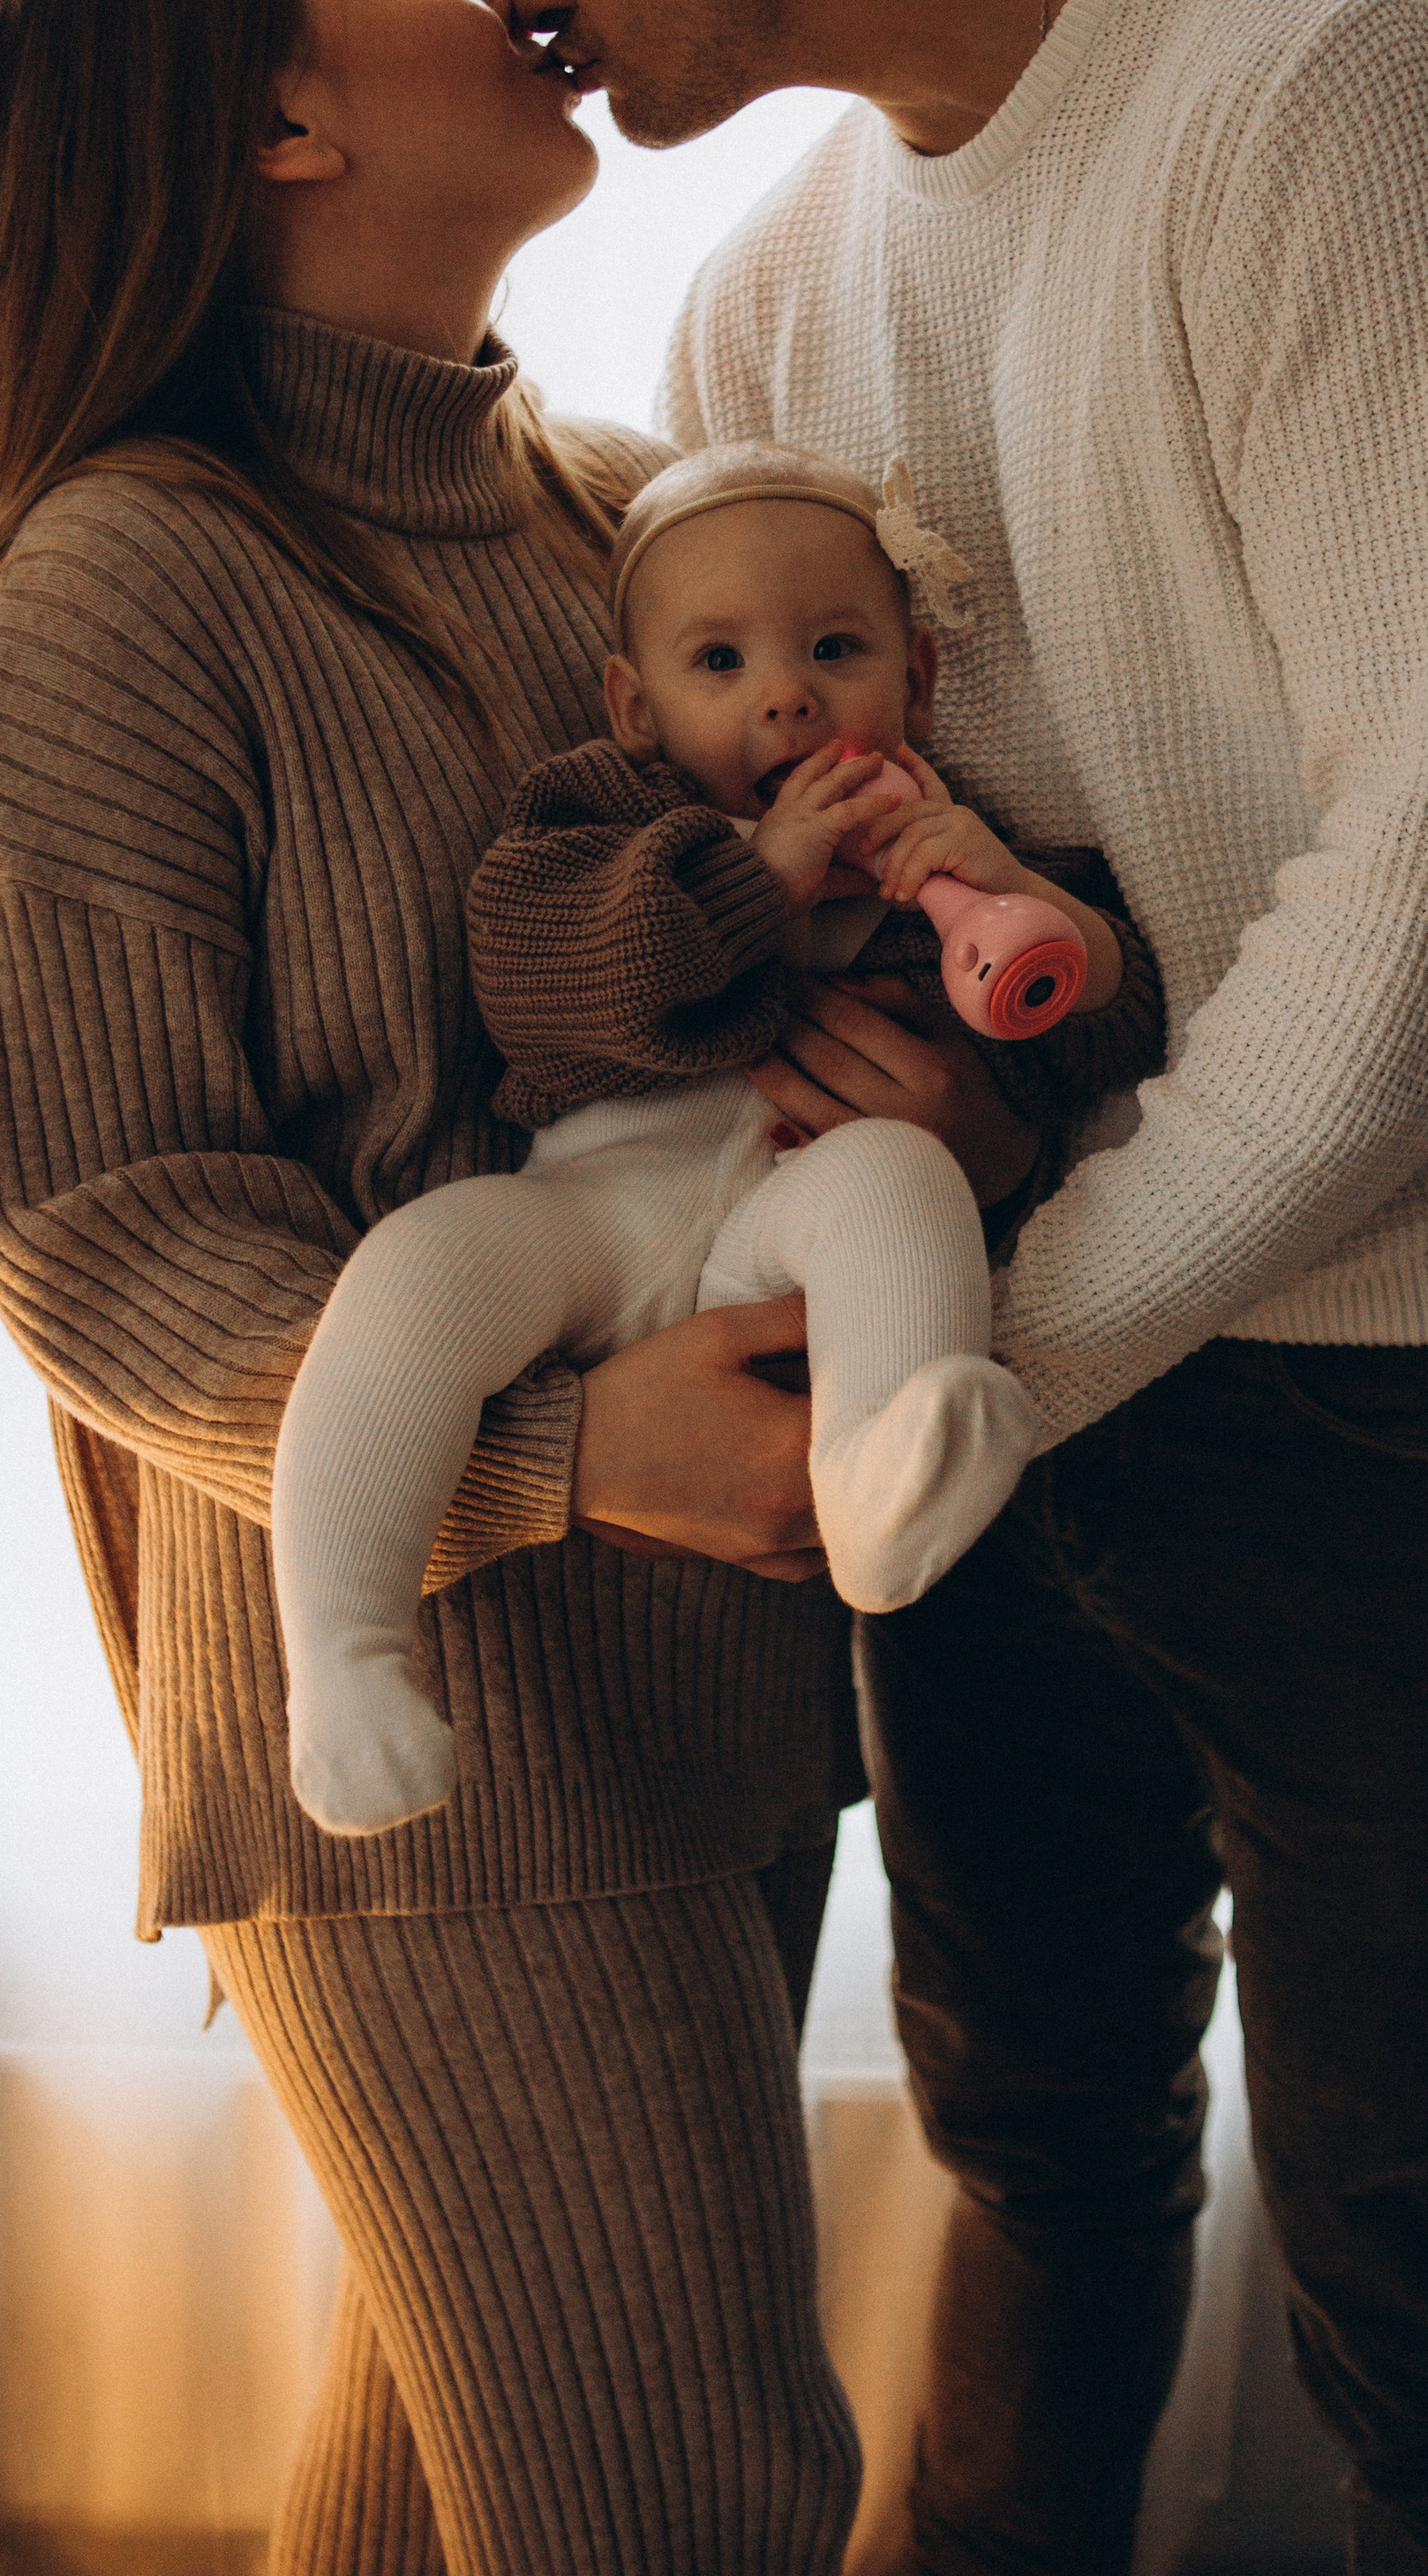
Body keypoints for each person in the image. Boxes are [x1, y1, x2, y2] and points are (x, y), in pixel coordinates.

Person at [454, 0, 1428, 2575]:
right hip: (998, 1392)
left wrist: (999, 1348)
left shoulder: (1362, 116)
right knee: (1032, 2163)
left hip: (1411, 1408)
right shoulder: (775, 306)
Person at [0, 0, 1013, 2573]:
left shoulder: (612, 530)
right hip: (424, 1730)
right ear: (275, 117)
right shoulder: (127, 583)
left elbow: (795, 971)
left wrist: (936, 1110)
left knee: (458, 2484)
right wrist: (554, 1449)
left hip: (717, 1679)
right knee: (693, 2500)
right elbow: (94, 1213)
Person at [274, 439, 1162, 1833]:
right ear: (634, 707)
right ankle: (346, 1656)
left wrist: (1060, 935)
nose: (788, 695)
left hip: (782, 1242)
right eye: (721, 665)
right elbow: (540, 968)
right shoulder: (594, 821)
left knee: (899, 1176)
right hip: (596, 1209)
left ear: (915, 676)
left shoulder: (963, 853)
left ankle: (877, 1481)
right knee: (416, 1268)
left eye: (834, 648)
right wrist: (757, 879)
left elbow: (1115, 1042)